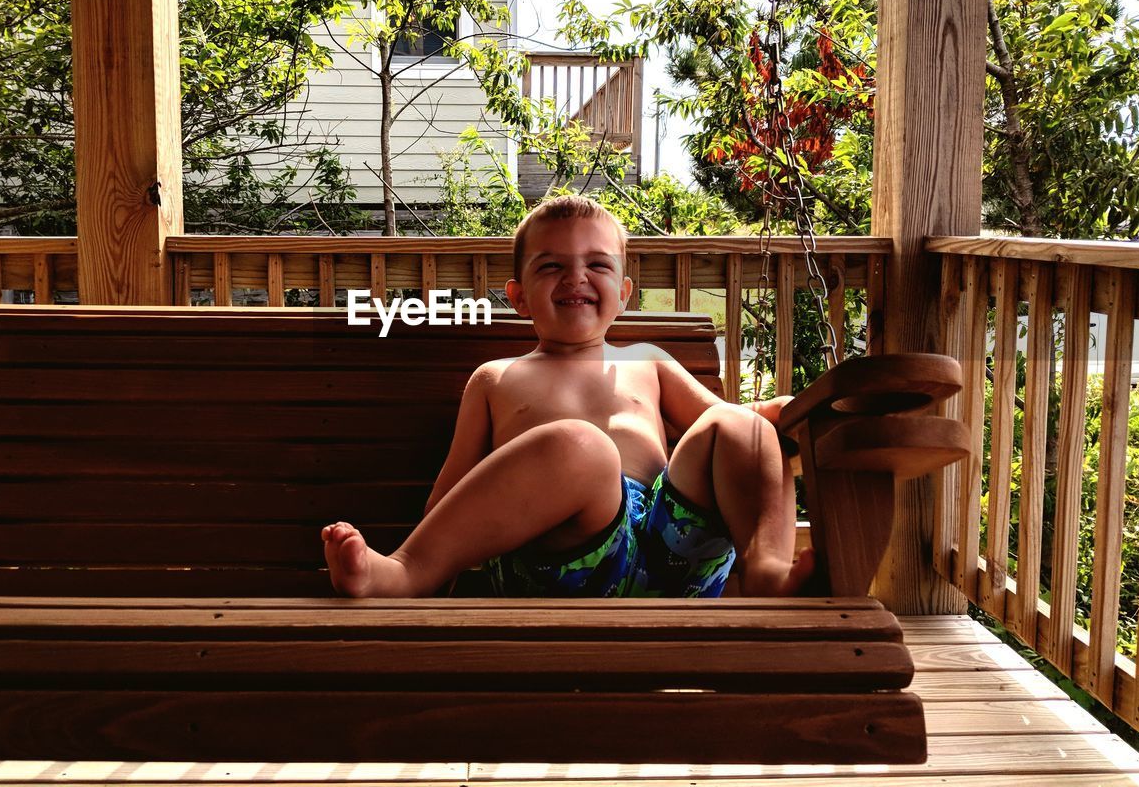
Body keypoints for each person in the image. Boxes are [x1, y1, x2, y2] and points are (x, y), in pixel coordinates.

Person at [322, 195, 814, 599]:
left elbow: (722, 423)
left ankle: (767, 574)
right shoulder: (496, 378)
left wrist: (780, 413)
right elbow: (451, 495)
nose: (576, 277)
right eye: (552, 265)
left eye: (597, 264)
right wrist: (443, 564)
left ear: (623, 294)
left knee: (741, 427)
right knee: (583, 446)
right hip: (562, 560)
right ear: (518, 297)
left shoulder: (648, 359)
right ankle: (402, 573)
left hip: (672, 555)